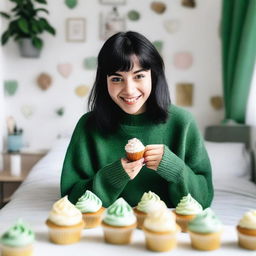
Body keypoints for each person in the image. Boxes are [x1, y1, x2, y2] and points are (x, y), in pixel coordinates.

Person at [61, 31, 213, 209]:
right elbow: (70, 197)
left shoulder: (182, 122)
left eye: (139, 76)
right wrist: (112, 176)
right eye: (117, 79)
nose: (129, 90)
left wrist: (175, 169)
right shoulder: (88, 126)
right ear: (105, 82)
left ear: (153, 76)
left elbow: (204, 197)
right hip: (106, 230)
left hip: (170, 230)